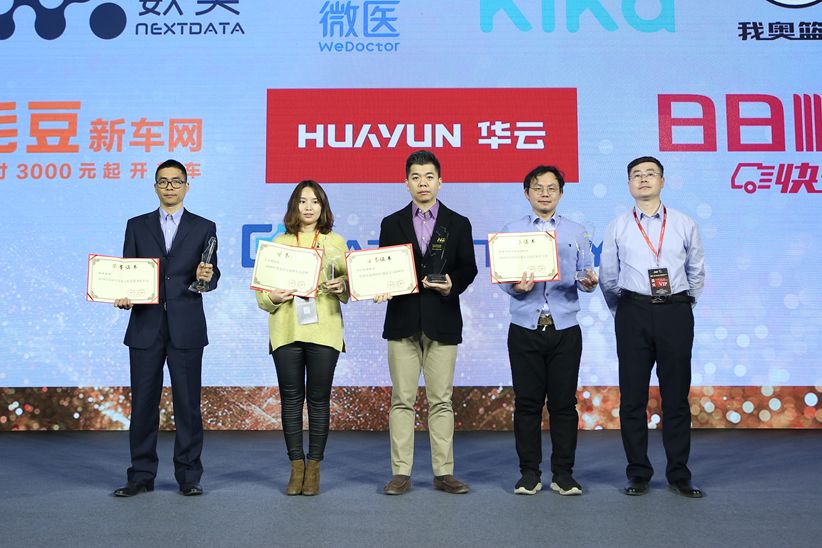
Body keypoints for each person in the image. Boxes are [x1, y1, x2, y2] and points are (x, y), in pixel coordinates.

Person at [599, 156, 706, 498]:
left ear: (662, 181)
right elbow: (608, 276)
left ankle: (679, 474)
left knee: (676, 397)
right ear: (629, 184)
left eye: (650, 174)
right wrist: (623, 310)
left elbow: (696, 270)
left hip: (675, 311)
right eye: (636, 175)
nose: (643, 179)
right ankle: (638, 473)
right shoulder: (618, 226)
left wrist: (682, 304)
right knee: (632, 397)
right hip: (633, 311)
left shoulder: (684, 223)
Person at [112, 159, 219, 497]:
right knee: (143, 404)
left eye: (176, 181)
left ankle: (189, 476)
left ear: (187, 186)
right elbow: (127, 272)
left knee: (188, 405)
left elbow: (211, 274)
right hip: (146, 325)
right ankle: (141, 475)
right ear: (155, 186)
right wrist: (123, 295)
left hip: (187, 325)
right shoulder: (136, 226)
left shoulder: (205, 226)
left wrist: (207, 277)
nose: (170, 187)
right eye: (163, 181)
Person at [374, 150, 478, 495]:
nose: (423, 183)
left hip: (442, 320)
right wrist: (379, 286)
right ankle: (400, 473)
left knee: (441, 400)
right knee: (402, 400)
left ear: (440, 181)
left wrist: (452, 284)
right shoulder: (391, 223)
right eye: (416, 177)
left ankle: (444, 472)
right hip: (402, 321)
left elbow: (468, 267)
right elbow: (384, 266)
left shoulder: (458, 222)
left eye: (429, 177)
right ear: (406, 183)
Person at [498, 165, 598, 496]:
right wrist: (517, 286)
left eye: (551, 188)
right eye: (538, 188)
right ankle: (529, 474)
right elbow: (504, 278)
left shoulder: (577, 232)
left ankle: (563, 474)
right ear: (526, 193)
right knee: (527, 404)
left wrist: (588, 283)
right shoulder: (511, 231)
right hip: (525, 327)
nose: (544, 193)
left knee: (564, 405)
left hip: (565, 327)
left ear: (561, 193)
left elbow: (585, 274)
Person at [255, 180, 348, 496]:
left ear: (323, 207)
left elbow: (349, 286)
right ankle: (296, 467)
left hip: (324, 330)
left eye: (315, 201)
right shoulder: (278, 243)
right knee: (291, 400)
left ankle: (315, 468)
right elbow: (262, 297)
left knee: (319, 400)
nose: (308, 207)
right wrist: (274, 297)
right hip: (286, 330)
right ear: (294, 206)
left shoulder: (335, 242)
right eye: (302, 201)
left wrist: (342, 286)